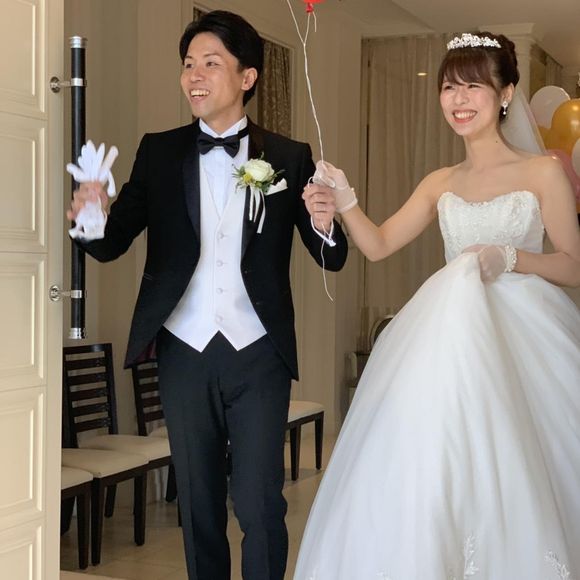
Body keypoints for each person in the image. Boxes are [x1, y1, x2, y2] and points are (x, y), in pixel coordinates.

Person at [67, 10, 348, 580]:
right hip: (184, 350)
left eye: (210, 63)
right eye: (188, 64)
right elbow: (110, 243)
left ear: (247, 77)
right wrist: (90, 215)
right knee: (197, 504)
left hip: (259, 352)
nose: (194, 76)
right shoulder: (159, 152)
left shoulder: (288, 156)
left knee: (259, 503)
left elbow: (330, 257)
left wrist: (326, 223)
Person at [296, 32, 580, 579]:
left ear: (506, 94)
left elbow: (573, 265)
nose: (459, 100)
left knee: (517, 461)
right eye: (449, 87)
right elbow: (379, 245)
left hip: (525, 339)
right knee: (439, 459)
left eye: (473, 86)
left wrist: (510, 257)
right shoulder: (440, 182)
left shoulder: (542, 172)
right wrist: (345, 201)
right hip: (448, 337)